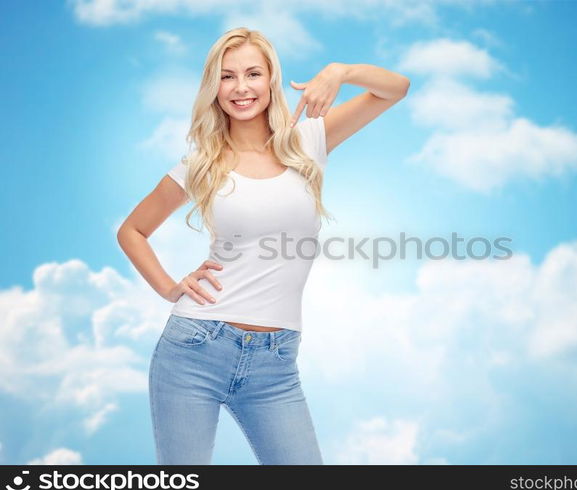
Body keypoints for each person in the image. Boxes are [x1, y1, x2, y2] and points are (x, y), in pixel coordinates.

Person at [116, 27, 410, 465]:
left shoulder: (309, 142)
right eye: (227, 76)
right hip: (196, 347)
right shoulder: (201, 163)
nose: (240, 87)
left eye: (253, 73)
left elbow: (396, 89)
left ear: (272, 79)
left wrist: (341, 72)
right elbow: (132, 230)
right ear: (213, 87)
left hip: (275, 364)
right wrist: (168, 287)